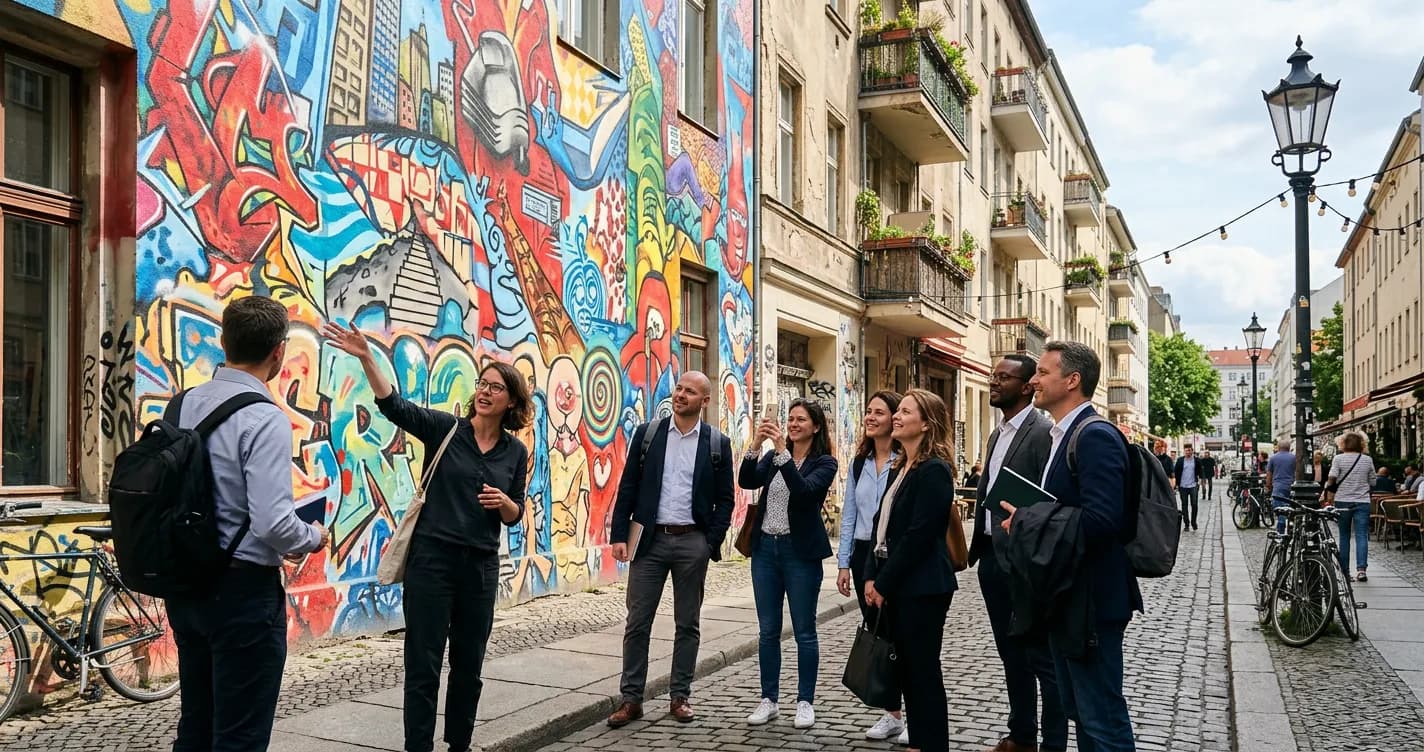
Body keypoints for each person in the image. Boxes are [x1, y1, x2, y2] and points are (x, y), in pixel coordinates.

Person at [323, 324, 529, 752]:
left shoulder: (515, 452)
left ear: (511, 400)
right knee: (423, 664)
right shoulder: (445, 430)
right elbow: (393, 406)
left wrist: (503, 504)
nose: (486, 392)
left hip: (480, 567)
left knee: (469, 665)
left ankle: (459, 744)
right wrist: (366, 358)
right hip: (431, 562)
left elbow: (516, 512)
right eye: (482, 384)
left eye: (496, 387)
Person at [168, 296, 328, 752]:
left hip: (187, 585)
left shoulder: (181, 406)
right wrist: (313, 537)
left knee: (196, 726)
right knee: (240, 737)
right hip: (241, 593)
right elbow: (274, 524)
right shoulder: (263, 418)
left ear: (224, 341)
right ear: (279, 352)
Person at [1004, 341, 1141, 752]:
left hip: (1092, 602)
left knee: (1102, 720)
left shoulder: (1095, 435)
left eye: (1043, 373)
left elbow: (1103, 521)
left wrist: (1027, 521)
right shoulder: (1063, 434)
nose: (1033, 380)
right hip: (1069, 597)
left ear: (1072, 380)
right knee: (1081, 714)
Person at [606, 372, 735, 727]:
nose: (680, 395)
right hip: (649, 542)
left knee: (687, 623)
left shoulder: (716, 443)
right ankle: (631, 699)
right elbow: (627, 486)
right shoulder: (648, 434)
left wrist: (709, 544)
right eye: (679, 388)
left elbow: (726, 500)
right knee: (637, 622)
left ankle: (680, 696)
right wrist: (620, 536)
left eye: (689, 391)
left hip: (693, 541)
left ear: (704, 401)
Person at [968, 355, 1063, 752]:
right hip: (992, 556)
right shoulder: (997, 434)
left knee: (1041, 658)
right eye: (993, 376)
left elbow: (1050, 497)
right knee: (1010, 653)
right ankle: (1021, 733)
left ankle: (1052, 742)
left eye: (1003, 378)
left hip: (1025, 560)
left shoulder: (1042, 431)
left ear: (1026, 387)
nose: (993, 382)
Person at [865, 389, 958, 752]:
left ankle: (930, 744)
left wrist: (884, 582)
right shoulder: (902, 465)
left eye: (905, 411)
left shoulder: (934, 470)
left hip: (923, 587)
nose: (897, 417)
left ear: (926, 423)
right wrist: (872, 574)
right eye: (898, 410)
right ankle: (919, 741)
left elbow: (920, 535)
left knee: (922, 672)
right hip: (897, 581)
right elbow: (881, 525)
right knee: (906, 670)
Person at [740, 399, 838, 729]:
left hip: (800, 555)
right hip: (766, 549)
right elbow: (746, 480)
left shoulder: (824, 463)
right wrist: (757, 444)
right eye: (790, 419)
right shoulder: (772, 457)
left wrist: (782, 451)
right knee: (768, 631)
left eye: (801, 420)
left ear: (816, 426)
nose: (793, 424)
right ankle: (769, 699)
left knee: (804, 631)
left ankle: (805, 702)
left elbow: (804, 494)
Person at [835, 391, 905, 741]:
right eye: (868, 411)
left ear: (895, 418)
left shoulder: (904, 461)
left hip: (893, 554)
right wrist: (844, 563)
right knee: (878, 633)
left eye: (879, 411)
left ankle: (915, 710)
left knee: (901, 633)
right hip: (864, 552)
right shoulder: (860, 462)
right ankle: (892, 713)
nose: (870, 417)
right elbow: (849, 514)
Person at [1328, 433, 1376, 582]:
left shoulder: (1338, 459)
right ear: (1361, 444)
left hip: (1343, 500)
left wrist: (1329, 495)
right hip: (1362, 501)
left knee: (1344, 536)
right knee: (1362, 535)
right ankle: (1362, 570)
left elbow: (1332, 478)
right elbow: (1373, 482)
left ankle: (1345, 572)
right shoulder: (1367, 460)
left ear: (1343, 444)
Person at [1264, 441, 1296, 534]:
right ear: (1289, 447)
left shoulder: (1273, 458)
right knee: (1291, 507)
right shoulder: (1293, 458)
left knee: (1280, 509)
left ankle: (1281, 533)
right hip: (1291, 486)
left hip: (1278, 486)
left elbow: (1269, 474)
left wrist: (1268, 486)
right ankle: (1291, 528)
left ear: (1278, 447)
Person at [1173, 445, 1202, 532]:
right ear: (1184, 451)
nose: (1188, 452)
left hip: (1193, 485)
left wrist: (1200, 481)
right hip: (1183, 486)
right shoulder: (1180, 460)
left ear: (1192, 451)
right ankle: (1186, 524)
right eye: (1186, 451)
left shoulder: (1196, 460)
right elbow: (1176, 472)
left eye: (1189, 450)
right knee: (1184, 505)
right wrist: (1176, 485)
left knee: (1194, 504)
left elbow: (1200, 471)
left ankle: (1194, 522)